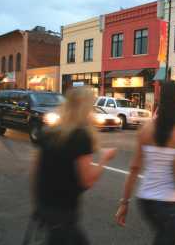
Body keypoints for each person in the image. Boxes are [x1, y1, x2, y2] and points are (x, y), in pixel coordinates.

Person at [115, 80, 175, 245]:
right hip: (173, 203)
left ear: (160, 99)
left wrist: (124, 203)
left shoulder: (146, 129)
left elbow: (134, 169)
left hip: (146, 201)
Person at [23, 87, 116, 245]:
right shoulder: (81, 136)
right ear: (86, 108)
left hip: (45, 207)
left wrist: (38, 203)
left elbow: (35, 171)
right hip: (64, 212)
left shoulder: (48, 131)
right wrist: (104, 159)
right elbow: (87, 181)